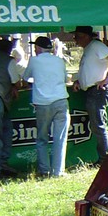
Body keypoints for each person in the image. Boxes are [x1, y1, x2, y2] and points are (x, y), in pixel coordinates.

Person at [22, 36, 70, 177]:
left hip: (42, 103)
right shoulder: (59, 60)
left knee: (42, 138)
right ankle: (58, 171)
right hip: (61, 100)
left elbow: (25, 78)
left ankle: (44, 170)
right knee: (60, 138)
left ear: (38, 48)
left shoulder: (34, 61)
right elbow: (66, 78)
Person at [72, 25, 108, 165]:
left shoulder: (96, 45)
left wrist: (107, 78)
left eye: (77, 36)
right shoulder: (89, 48)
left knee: (98, 125)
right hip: (92, 90)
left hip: (98, 90)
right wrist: (80, 80)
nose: (75, 39)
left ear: (86, 36)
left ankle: (105, 159)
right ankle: (104, 157)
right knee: (98, 125)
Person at [0, 37, 20, 173]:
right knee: (4, 133)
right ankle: (1, 165)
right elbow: (17, 82)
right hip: (1, 99)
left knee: (5, 129)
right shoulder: (9, 61)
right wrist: (14, 87)